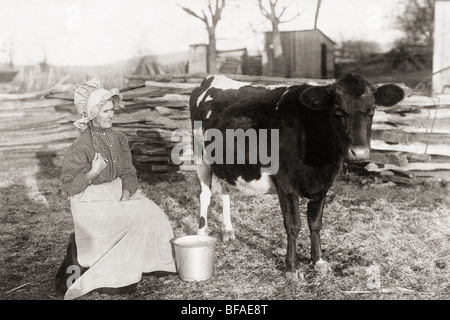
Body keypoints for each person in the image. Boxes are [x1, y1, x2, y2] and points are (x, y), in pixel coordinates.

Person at [55, 77, 176, 300]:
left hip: (115, 193)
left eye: (112, 110)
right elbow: (70, 188)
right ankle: (111, 272)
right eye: (105, 111)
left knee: (154, 213)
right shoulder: (80, 146)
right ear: (92, 114)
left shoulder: (119, 138)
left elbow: (129, 171)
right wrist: (92, 171)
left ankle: (152, 262)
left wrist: (126, 194)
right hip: (89, 201)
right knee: (137, 221)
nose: (111, 115)